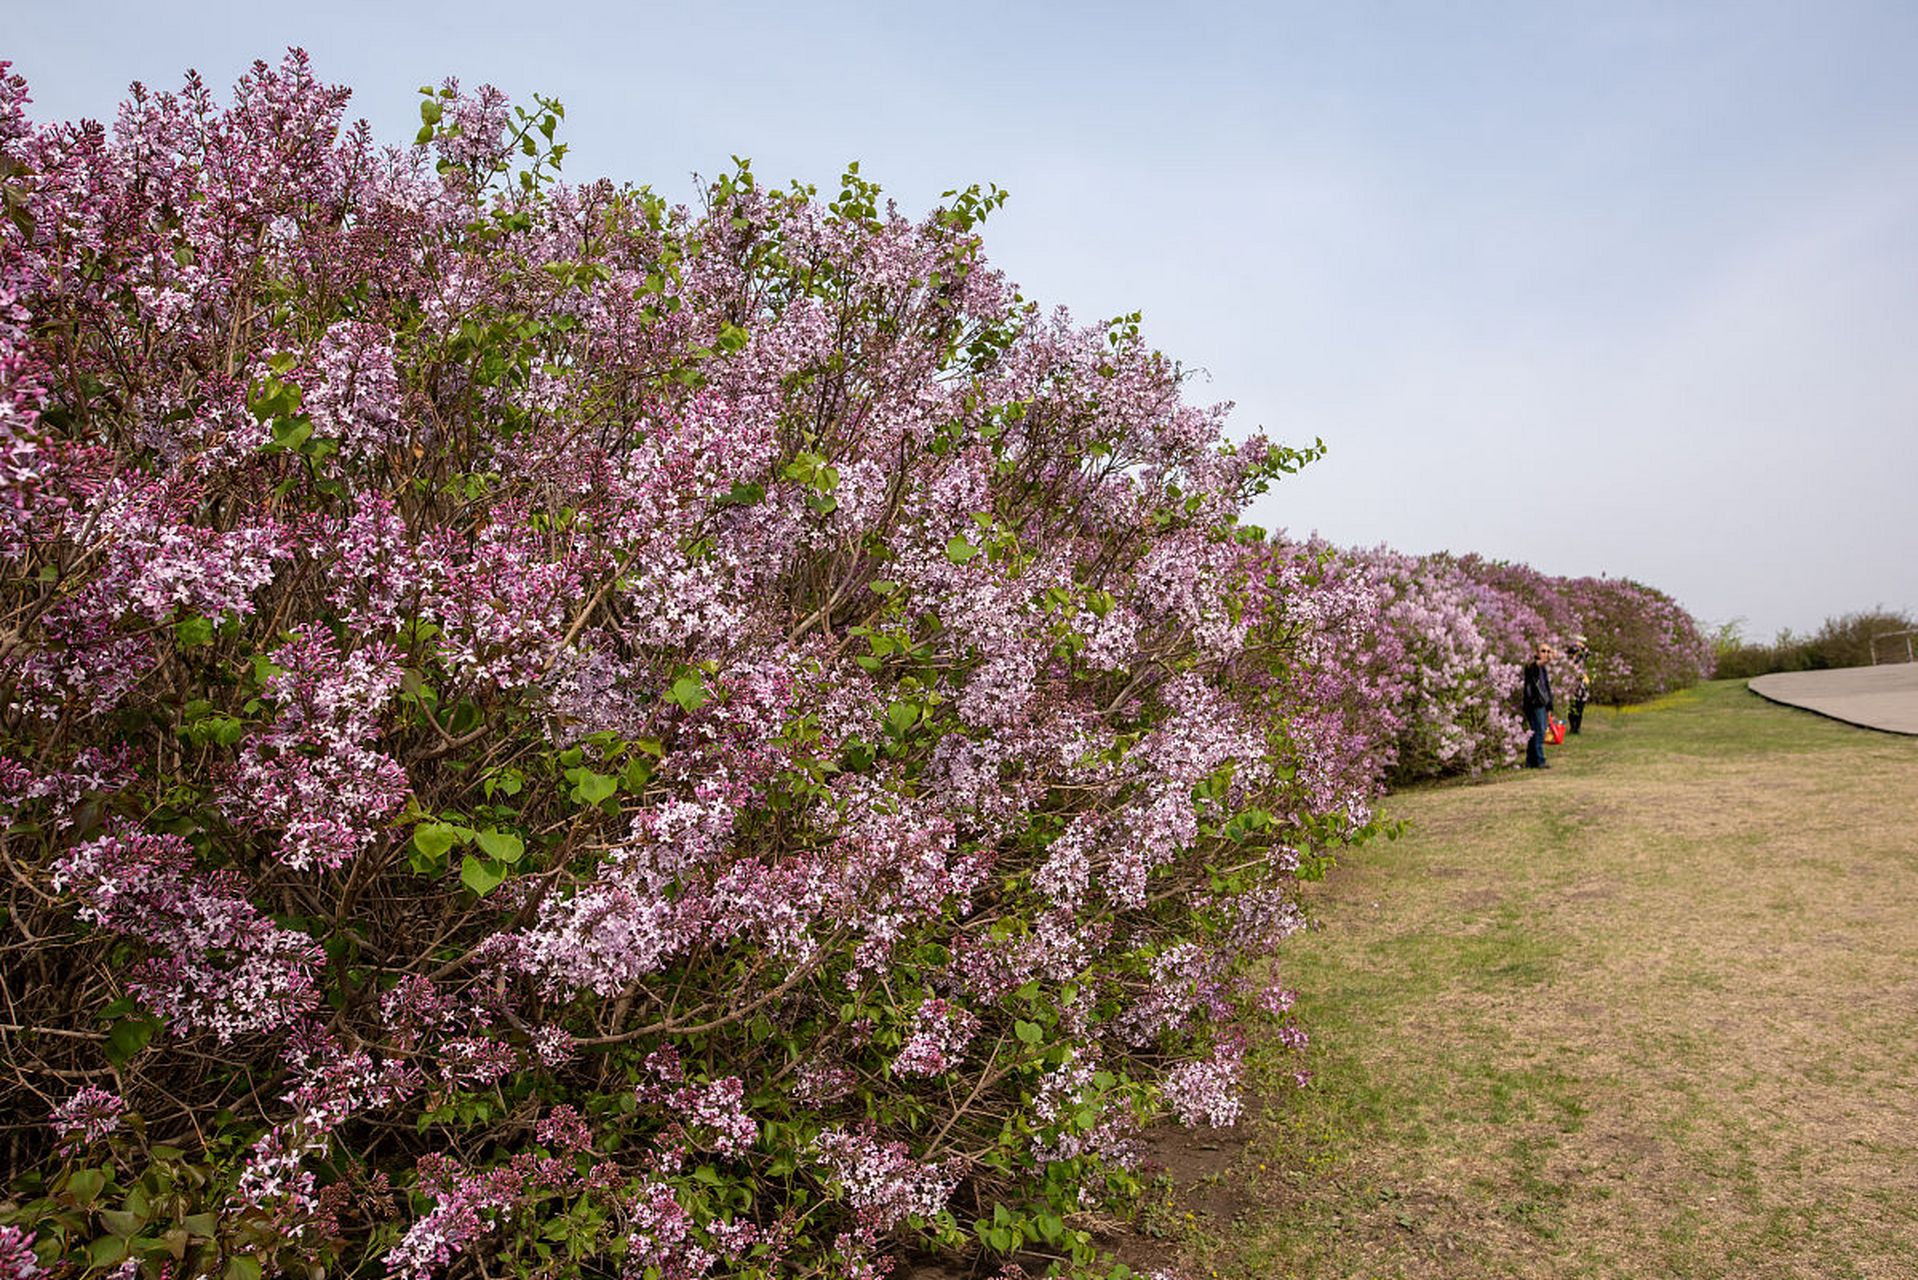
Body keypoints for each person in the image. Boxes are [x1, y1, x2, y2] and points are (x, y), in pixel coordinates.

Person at [1521, 642, 1554, 768]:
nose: (1546, 654)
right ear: (1537, 653)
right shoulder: (1531, 666)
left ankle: (1530, 761)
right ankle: (1540, 761)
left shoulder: (1543, 669)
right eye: (1543, 651)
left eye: (1548, 651)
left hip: (1542, 704)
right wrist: (1547, 659)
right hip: (1534, 704)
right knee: (1539, 732)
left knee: (1535, 732)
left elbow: (1546, 688)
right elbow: (1535, 665)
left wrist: (1549, 705)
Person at [1563, 634, 1590, 735]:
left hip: (1581, 685)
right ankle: (1572, 727)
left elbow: (1587, 653)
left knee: (1580, 707)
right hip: (1571, 685)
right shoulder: (1568, 660)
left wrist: (1582, 646)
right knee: (1572, 707)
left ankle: (1577, 727)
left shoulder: (1581, 658)